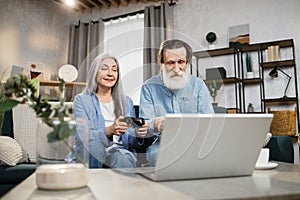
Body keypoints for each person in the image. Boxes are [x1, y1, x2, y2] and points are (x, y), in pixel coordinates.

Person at [139, 39, 214, 166]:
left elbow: (209, 120)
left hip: (196, 143)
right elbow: (144, 125)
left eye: (181, 62)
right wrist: (154, 124)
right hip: (163, 144)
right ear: (162, 64)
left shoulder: (198, 85)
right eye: (170, 63)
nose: (176, 68)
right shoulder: (148, 87)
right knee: (156, 156)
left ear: (187, 62)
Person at [73, 54, 148, 168]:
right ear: (95, 72)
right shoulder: (82, 99)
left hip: (119, 150)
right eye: (104, 69)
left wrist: (138, 133)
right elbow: (82, 136)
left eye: (114, 70)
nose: (110, 73)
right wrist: (109, 130)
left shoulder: (126, 101)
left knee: (124, 157)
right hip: (93, 150)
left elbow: (131, 141)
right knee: (94, 146)